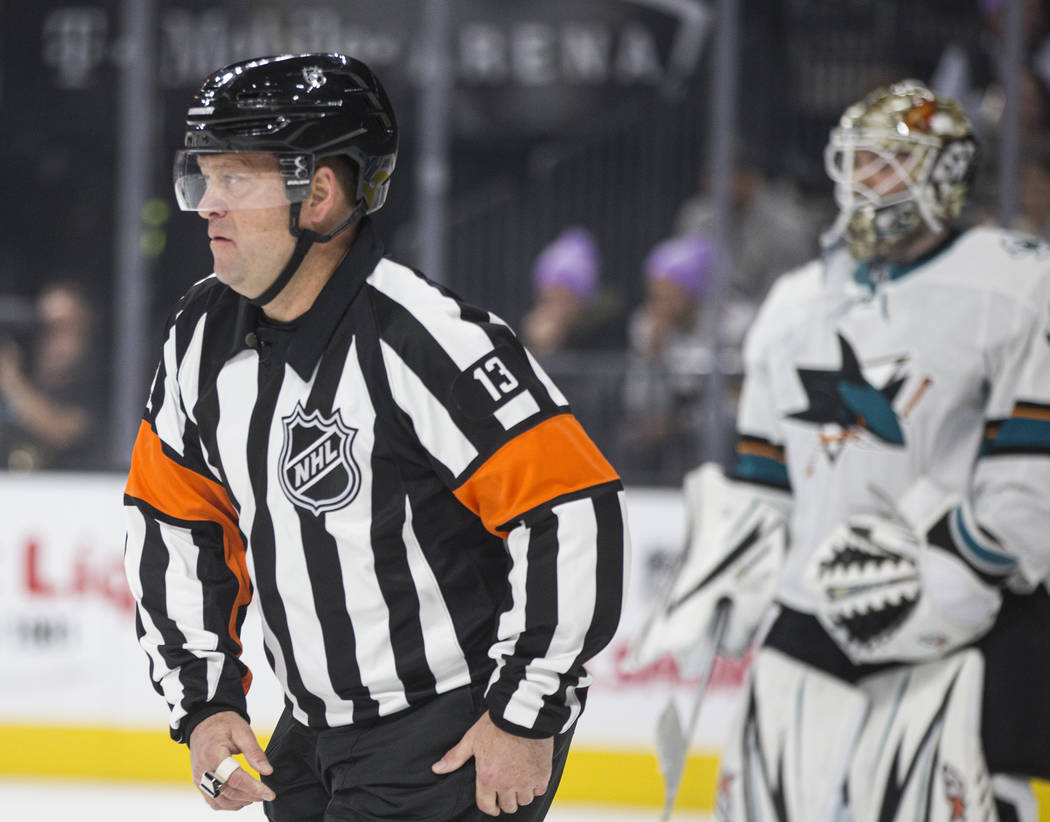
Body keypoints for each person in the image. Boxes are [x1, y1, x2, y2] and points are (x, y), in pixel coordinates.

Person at [122, 54, 628, 821]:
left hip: (445, 734)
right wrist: (203, 701)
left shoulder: (426, 339)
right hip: (305, 740)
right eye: (203, 176)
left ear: (320, 194)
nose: (206, 206)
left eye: (235, 181)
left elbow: (572, 508)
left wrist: (529, 712)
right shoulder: (201, 331)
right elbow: (175, 519)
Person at [631, 79, 1050, 821]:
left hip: (976, 612)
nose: (865, 184)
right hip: (816, 607)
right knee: (772, 799)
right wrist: (727, 573)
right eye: (857, 164)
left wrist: (966, 569)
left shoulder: (1017, 284)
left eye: (889, 164)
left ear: (944, 177)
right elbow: (764, 476)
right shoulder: (796, 300)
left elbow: (1030, 474)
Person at [620, 233, 752, 482]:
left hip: (718, 428)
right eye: (654, 294)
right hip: (666, 428)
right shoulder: (646, 325)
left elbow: (731, 394)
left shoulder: (734, 321)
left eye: (670, 293)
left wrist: (679, 418)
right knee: (633, 439)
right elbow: (636, 401)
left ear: (692, 292)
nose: (660, 304)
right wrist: (653, 355)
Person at [0, 279, 105, 470]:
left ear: (86, 331)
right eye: (42, 326)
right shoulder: (23, 381)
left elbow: (62, 432)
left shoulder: (99, 390)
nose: (49, 337)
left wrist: (10, 381)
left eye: (62, 327)